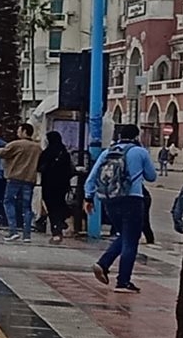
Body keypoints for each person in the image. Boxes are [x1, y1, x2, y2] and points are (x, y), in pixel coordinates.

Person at [85, 124, 157, 293]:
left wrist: (88, 197)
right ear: (136, 137)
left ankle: (104, 264)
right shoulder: (140, 152)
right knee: (131, 240)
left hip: (110, 200)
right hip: (132, 199)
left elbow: (92, 177)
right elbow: (152, 176)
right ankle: (123, 281)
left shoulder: (107, 153)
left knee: (125, 235)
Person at [0, 123, 41, 242]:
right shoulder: (37, 148)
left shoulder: (16, 144)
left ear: (24, 131)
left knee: (9, 202)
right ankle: (27, 234)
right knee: (27, 206)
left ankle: (13, 231)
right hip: (30, 179)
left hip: (15, 178)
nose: (17, 133)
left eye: (19, 131)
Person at [40, 131, 75, 244]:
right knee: (59, 204)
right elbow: (70, 170)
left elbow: (40, 167)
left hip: (48, 184)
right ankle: (61, 221)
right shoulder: (64, 153)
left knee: (52, 208)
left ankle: (57, 230)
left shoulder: (47, 153)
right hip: (62, 185)